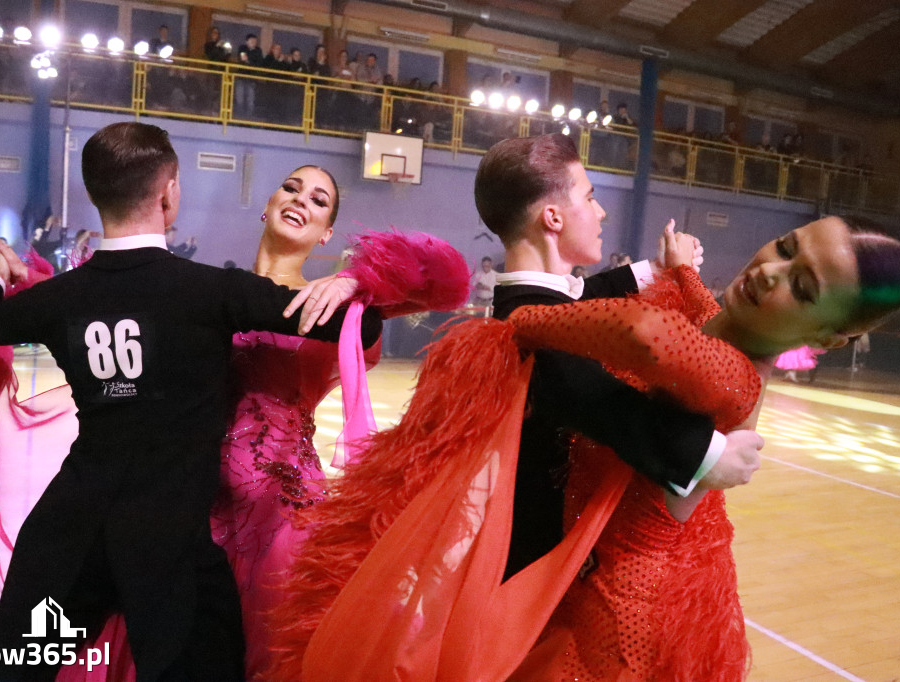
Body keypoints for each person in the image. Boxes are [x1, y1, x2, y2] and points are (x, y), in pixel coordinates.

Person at [267, 212, 900, 681]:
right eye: (786, 246)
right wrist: (680, 269)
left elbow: (644, 333)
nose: (768, 272)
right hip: (578, 553)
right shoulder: (720, 322)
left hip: (614, 599)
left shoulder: (731, 374)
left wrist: (524, 319)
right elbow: (699, 307)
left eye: (802, 287)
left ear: (827, 339)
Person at [264, 133, 765, 679]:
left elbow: (580, 297)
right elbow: (583, 388)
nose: (600, 211)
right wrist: (706, 454)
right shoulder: (531, 325)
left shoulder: (530, 301)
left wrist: (653, 269)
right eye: (590, 196)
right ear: (553, 217)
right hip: (534, 585)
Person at [0, 121, 382, 681]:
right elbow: (362, 324)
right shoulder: (214, 291)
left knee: (9, 671)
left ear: (95, 196)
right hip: (171, 546)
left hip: (70, 533)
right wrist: (352, 283)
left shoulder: (62, 297)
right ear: (169, 193)